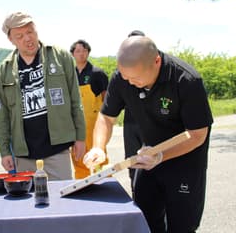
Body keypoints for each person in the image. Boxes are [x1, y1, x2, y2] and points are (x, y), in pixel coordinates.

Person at [83, 36, 213, 232]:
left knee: (182, 226)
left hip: (184, 163)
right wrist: (98, 147)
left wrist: (161, 155)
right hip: (146, 160)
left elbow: (197, 135)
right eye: (127, 78)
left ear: (156, 62)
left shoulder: (186, 80)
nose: (131, 83)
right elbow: (106, 118)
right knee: (145, 221)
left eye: (136, 78)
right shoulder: (122, 78)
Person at [0, 11, 86, 181]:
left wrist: (80, 137)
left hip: (57, 149)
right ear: (11, 40)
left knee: (62, 200)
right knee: (29, 204)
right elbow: (2, 115)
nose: (27, 39)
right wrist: (5, 151)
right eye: (19, 36)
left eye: (30, 32)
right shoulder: (4, 70)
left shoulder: (60, 57)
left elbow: (75, 99)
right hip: (24, 154)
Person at [70, 39, 109, 179]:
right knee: (78, 158)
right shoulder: (70, 74)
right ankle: (81, 186)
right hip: (76, 125)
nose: (81, 54)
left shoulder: (97, 73)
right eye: (78, 51)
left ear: (88, 52)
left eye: (84, 50)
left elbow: (107, 98)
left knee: (97, 157)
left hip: (94, 124)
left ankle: (103, 186)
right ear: (73, 54)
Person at [123, 30, 146, 192]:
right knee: (133, 163)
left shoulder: (152, 69)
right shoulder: (122, 72)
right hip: (130, 124)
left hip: (150, 125)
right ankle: (136, 193)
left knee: (152, 163)